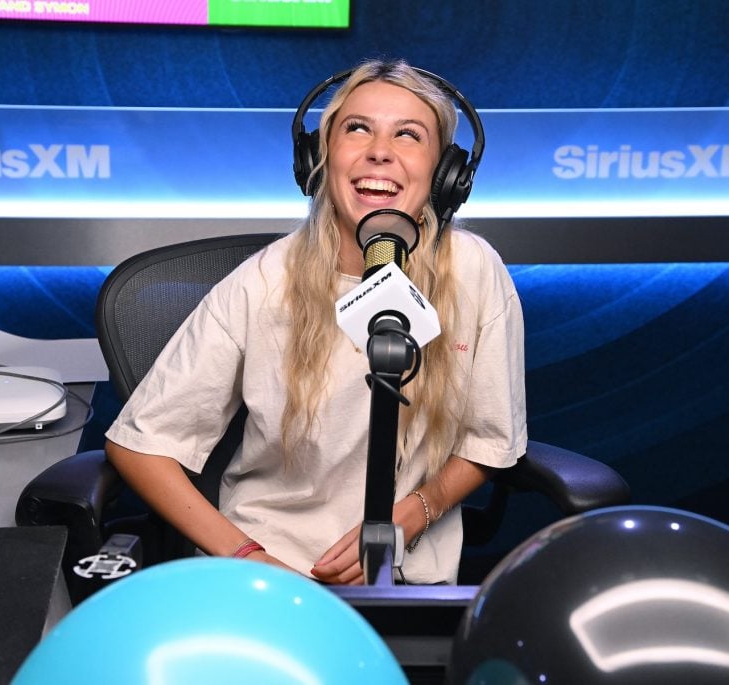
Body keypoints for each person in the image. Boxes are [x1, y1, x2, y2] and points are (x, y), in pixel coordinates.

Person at [104, 58, 527, 585]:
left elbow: (490, 441)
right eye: (357, 128)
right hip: (266, 570)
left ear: (446, 174)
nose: (380, 151)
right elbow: (140, 443)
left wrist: (411, 513)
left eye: (408, 135)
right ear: (319, 158)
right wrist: (249, 558)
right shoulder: (264, 280)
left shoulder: (474, 270)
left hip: (408, 575)